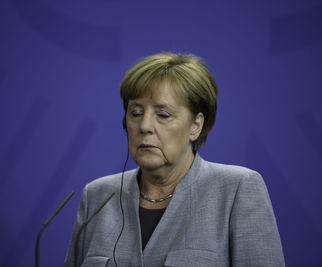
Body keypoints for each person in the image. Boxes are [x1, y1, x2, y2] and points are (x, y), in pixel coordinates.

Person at [64, 52, 285, 267]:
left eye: (163, 115)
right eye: (136, 113)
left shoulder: (237, 188)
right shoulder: (97, 195)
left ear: (195, 126)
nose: (145, 126)